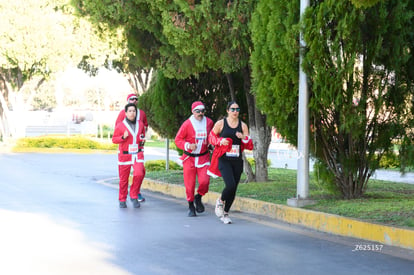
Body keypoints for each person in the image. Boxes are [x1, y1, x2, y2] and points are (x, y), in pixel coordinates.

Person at [208, 101, 253, 224]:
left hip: (237, 160)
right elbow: (211, 137)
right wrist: (220, 141)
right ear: (227, 110)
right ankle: (220, 201)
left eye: (237, 109)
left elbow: (249, 145)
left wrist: (243, 138)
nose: (235, 112)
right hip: (223, 159)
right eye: (232, 109)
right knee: (230, 185)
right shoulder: (221, 123)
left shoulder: (243, 126)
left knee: (234, 189)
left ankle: (226, 213)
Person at [175, 101, 214, 217]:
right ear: (193, 111)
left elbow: (212, 136)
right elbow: (178, 140)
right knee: (190, 185)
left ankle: (199, 197)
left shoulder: (209, 122)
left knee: (205, 181)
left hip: (203, 157)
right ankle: (191, 205)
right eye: (198, 111)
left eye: (202, 111)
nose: (200, 113)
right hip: (189, 158)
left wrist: (212, 144)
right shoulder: (187, 124)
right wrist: (188, 145)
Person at [112, 103, 146, 208]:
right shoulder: (120, 126)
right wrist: (123, 137)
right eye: (130, 111)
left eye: (134, 111)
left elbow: (142, 135)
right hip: (125, 155)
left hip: (137, 154)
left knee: (140, 173)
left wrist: (142, 140)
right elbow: (114, 139)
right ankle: (122, 199)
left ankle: (134, 195)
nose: (132, 113)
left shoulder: (140, 124)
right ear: (126, 113)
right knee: (123, 179)